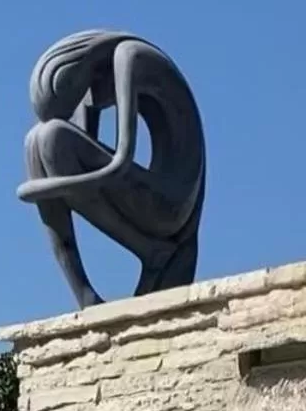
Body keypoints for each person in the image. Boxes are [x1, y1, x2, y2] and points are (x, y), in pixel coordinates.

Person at [18, 31, 205, 307]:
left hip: (173, 203)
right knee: (35, 142)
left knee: (52, 138)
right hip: (143, 193)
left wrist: (56, 186)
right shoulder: (87, 84)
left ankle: (152, 251)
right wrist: (57, 185)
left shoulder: (130, 56)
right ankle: (85, 293)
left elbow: (120, 163)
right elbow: (75, 163)